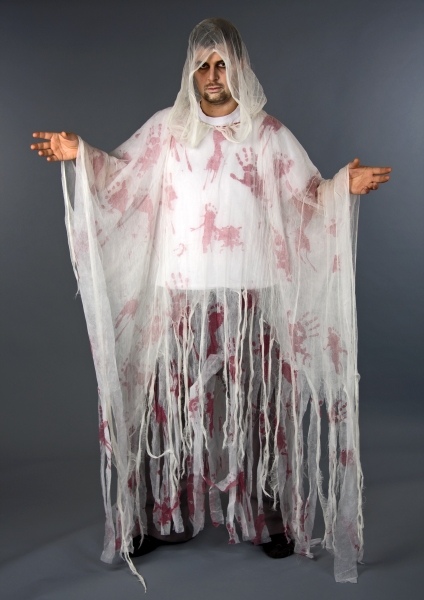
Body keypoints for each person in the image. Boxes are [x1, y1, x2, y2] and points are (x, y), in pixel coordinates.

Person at [30, 18, 391, 587]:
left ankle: (270, 520)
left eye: (222, 64)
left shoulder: (268, 134)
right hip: (181, 297)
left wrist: (343, 185)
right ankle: (165, 518)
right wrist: (81, 153)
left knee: (260, 410)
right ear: (191, 72)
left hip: (251, 296)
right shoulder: (168, 130)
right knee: (171, 409)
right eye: (203, 65)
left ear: (239, 68)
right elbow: (121, 178)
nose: (213, 75)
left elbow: (306, 197)